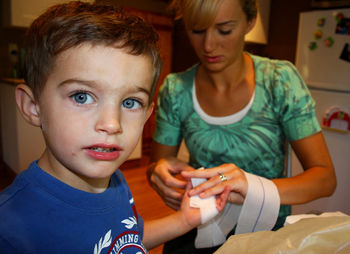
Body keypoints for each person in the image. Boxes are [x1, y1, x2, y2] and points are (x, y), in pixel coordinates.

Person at [0, 2, 230, 253]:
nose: (112, 124)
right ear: (33, 107)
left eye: (130, 102)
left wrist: (184, 220)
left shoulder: (112, 180)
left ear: (147, 115)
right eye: (82, 97)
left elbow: (126, 238)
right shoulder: (11, 229)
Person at [146, 0, 337, 253]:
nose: (208, 45)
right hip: (199, 224)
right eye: (197, 30)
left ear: (250, 22)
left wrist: (251, 187)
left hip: (266, 233)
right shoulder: (176, 88)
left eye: (224, 30)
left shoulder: (279, 82)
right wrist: (159, 175)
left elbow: (324, 178)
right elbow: (158, 165)